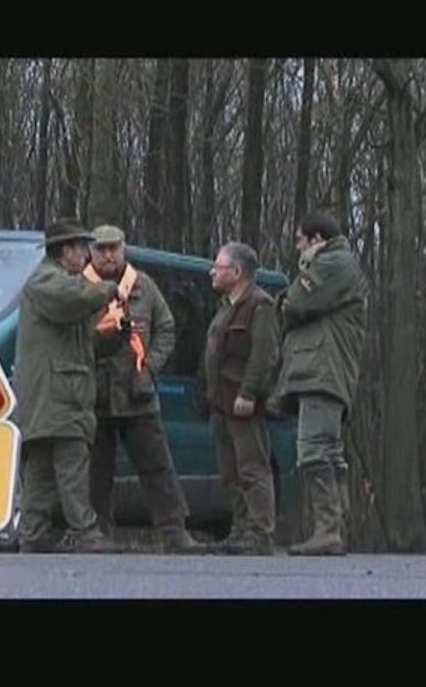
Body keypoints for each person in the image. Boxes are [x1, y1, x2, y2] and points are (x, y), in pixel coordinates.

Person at [84, 225, 206, 554]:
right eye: (102, 249)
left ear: (124, 249)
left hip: (139, 392)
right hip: (97, 393)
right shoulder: (80, 287)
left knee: (158, 465)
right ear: (91, 253)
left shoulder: (144, 286)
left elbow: (166, 328)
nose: (109, 255)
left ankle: (174, 531)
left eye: (114, 248)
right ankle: (99, 532)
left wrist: (151, 367)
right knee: (97, 470)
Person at [13, 218, 123, 553]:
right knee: (72, 465)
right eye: (82, 248)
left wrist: (113, 339)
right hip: (58, 394)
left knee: (42, 471)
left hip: (56, 395)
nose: (87, 256)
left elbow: (79, 338)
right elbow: (72, 301)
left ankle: (32, 533)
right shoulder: (47, 281)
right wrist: (108, 288)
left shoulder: (58, 282)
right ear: (67, 250)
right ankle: (86, 531)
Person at [272, 212, 368, 556]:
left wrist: (293, 287)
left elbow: (295, 303)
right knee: (329, 451)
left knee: (313, 450)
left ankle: (328, 531)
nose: (298, 247)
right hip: (323, 373)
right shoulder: (339, 264)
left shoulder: (334, 264)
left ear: (316, 239)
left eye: (300, 240)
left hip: (323, 375)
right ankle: (335, 529)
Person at [196, 241, 280, 555]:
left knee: (252, 468)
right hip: (221, 403)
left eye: (217, 267)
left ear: (237, 271)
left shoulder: (260, 305)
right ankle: (241, 529)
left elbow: (265, 354)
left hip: (242, 403)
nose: (212, 273)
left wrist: (249, 392)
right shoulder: (226, 309)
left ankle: (261, 532)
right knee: (230, 472)